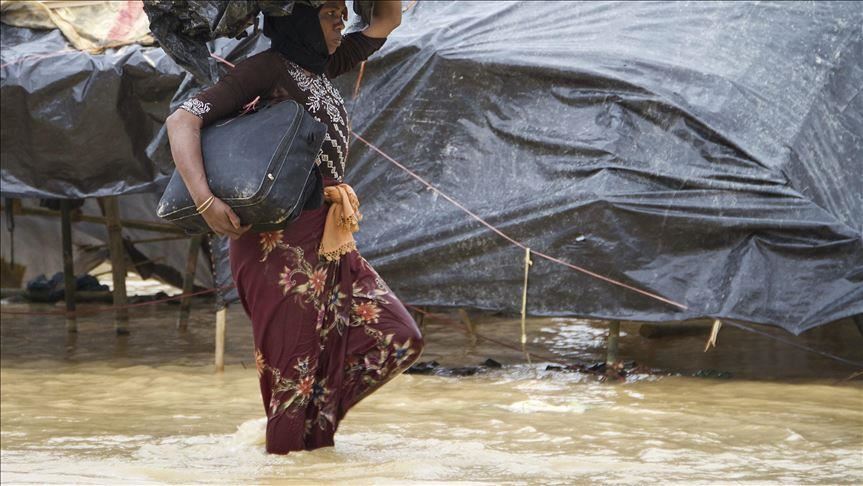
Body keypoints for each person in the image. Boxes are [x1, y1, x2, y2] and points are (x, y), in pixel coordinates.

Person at [164, 0, 424, 454]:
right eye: (329, 14)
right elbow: (182, 119)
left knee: (397, 338)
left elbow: (387, 18)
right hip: (276, 243)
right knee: (293, 380)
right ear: (296, 20)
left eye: (343, 14)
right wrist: (205, 201)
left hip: (329, 237)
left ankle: (299, 436)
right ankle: (288, 458)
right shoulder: (266, 68)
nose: (341, 23)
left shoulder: (328, 63)